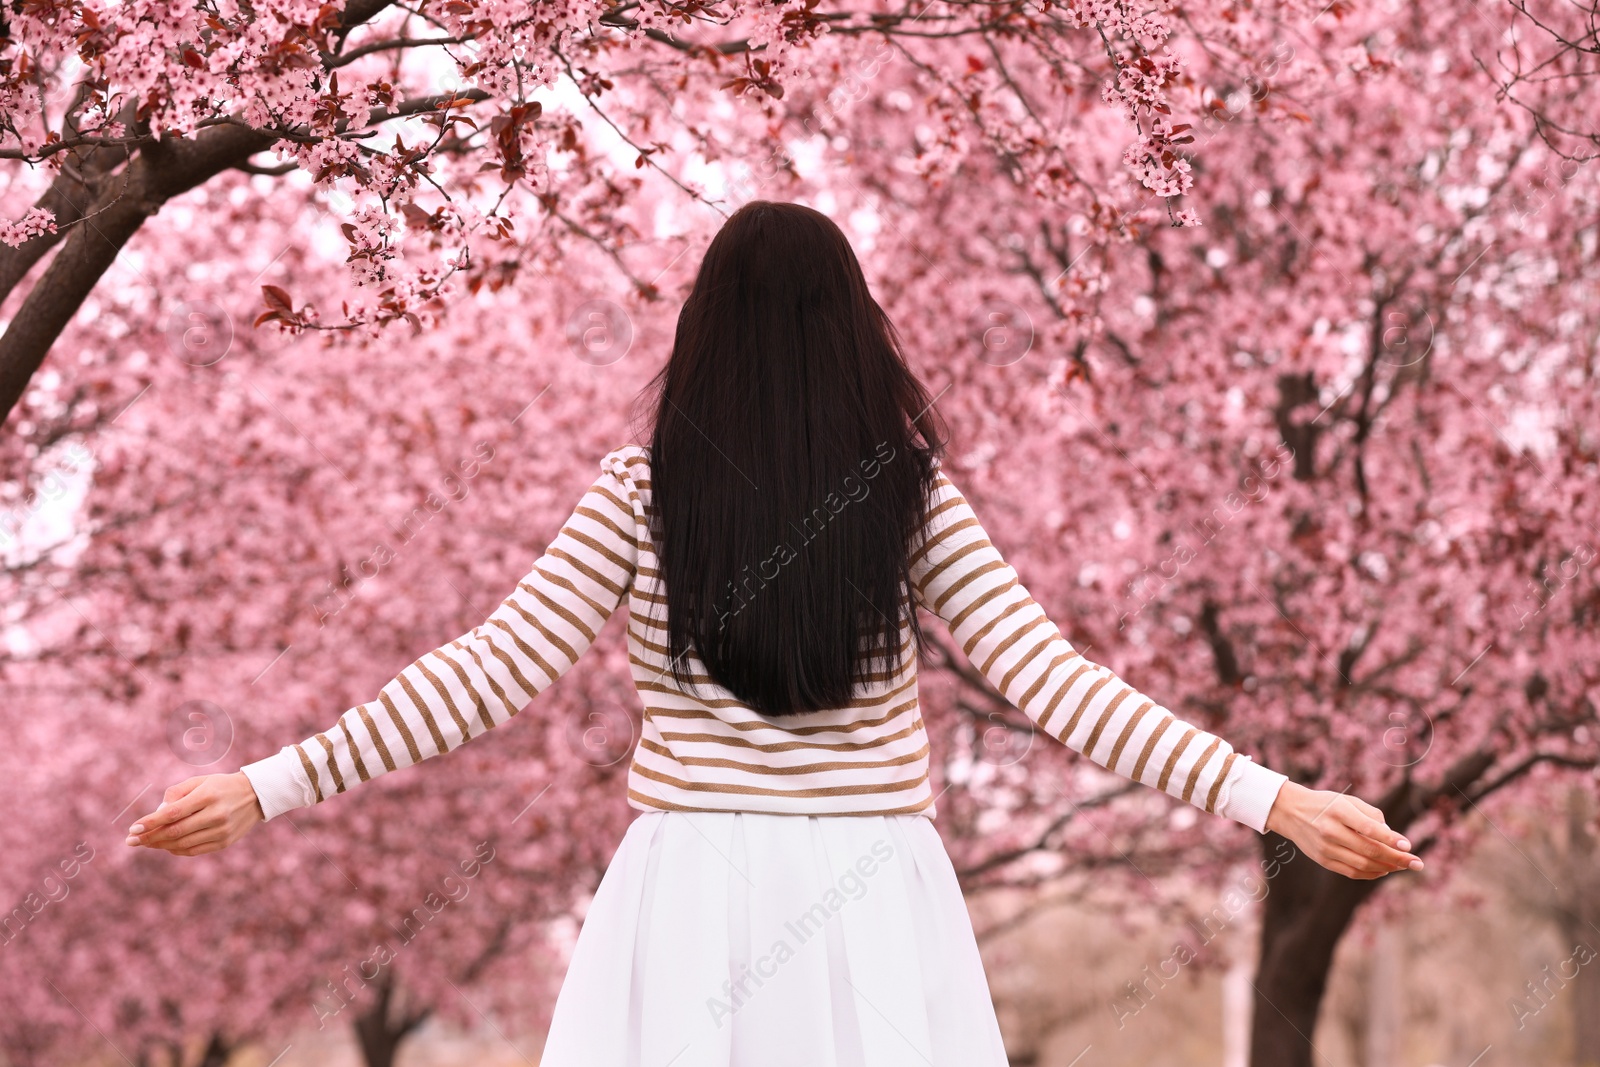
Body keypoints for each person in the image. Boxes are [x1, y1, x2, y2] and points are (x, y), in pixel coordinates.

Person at [126, 200, 1422, 1065]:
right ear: (853, 340)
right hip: (872, 902)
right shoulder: (905, 495)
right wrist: (1273, 800)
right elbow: (1058, 686)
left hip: (686, 899)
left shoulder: (643, 493)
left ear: (708, 339)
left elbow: (483, 674)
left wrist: (267, 784)